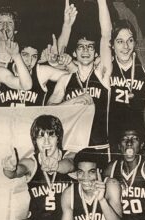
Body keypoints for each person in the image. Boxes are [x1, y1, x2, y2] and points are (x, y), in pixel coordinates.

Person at [48, 0, 113, 162]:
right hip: (72, 148)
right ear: (75, 53)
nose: (85, 50)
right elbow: (49, 111)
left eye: (90, 47)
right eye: (81, 47)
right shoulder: (65, 79)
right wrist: (73, 101)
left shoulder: (102, 75)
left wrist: (101, 1)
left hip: (99, 147)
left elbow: (106, 35)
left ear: (95, 53)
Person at [109, 20, 145, 151]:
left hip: (141, 140)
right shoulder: (105, 67)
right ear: (112, 45)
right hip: (112, 138)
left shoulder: (144, 67)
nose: (126, 46)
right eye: (120, 41)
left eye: (130, 40)